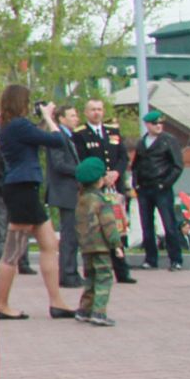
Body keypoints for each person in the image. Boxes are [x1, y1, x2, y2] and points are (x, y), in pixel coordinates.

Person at [0, 86, 77, 321]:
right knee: (12, 251)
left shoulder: (8, 125)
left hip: (23, 188)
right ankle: (0, 303)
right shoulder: (19, 125)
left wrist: (42, 120)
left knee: (49, 244)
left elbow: (35, 136)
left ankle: (56, 302)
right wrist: (49, 116)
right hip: (22, 189)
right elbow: (58, 140)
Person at [72, 99, 136, 284]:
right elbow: (82, 160)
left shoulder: (113, 132)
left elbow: (123, 157)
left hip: (115, 185)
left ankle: (122, 271)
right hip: (94, 187)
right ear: (86, 113)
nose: (96, 113)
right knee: (97, 228)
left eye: (99, 109)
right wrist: (100, 176)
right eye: (92, 110)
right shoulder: (80, 134)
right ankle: (94, 271)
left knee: (119, 227)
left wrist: (116, 172)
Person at [131, 110, 185, 270]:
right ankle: (150, 259)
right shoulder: (142, 142)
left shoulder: (169, 141)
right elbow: (136, 166)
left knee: (169, 224)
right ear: (147, 125)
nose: (159, 126)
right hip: (144, 189)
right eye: (155, 124)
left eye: (161, 123)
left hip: (161, 188)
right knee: (146, 225)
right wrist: (136, 184)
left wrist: (165, 183)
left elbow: (177, 166)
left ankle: (176, 259)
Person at [72, 156, 121, 326]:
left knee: (90, 278)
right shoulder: (101, 200)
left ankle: (84, 310)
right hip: (101, 247)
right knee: (104, 278)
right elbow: (108, 225)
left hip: (86, 247)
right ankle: (99, 312)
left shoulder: (81, 200)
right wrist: (117, 245)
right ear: (100, 181)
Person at [45, 104, 84, 288]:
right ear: (61, 118)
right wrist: (81, 171)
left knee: (73, 234)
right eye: (72, 115)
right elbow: (59, 164)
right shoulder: (58, 136)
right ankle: (68, 274)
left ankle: (72, 272)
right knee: (69, 234)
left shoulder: (69, 137)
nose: (76, 119)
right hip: (65, 191)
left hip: (70, 191)